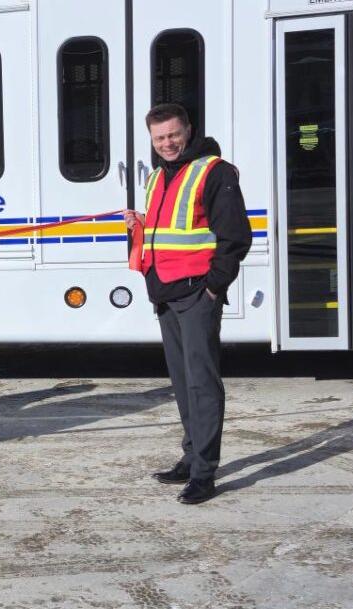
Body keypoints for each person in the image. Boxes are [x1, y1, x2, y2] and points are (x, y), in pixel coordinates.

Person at [124, 104, 251, 505]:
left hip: (197, 294)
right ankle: (191, 455)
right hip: (165, 295)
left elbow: (235, 237)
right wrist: (139, 225)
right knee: (182, 383)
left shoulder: (214, 171)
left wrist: (214, 287)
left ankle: (204, 474)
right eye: (159, 137)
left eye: (174, 135)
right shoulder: (158, 175)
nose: (167, 143)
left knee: (202, 384)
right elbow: (169, 231)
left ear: (189, 130)